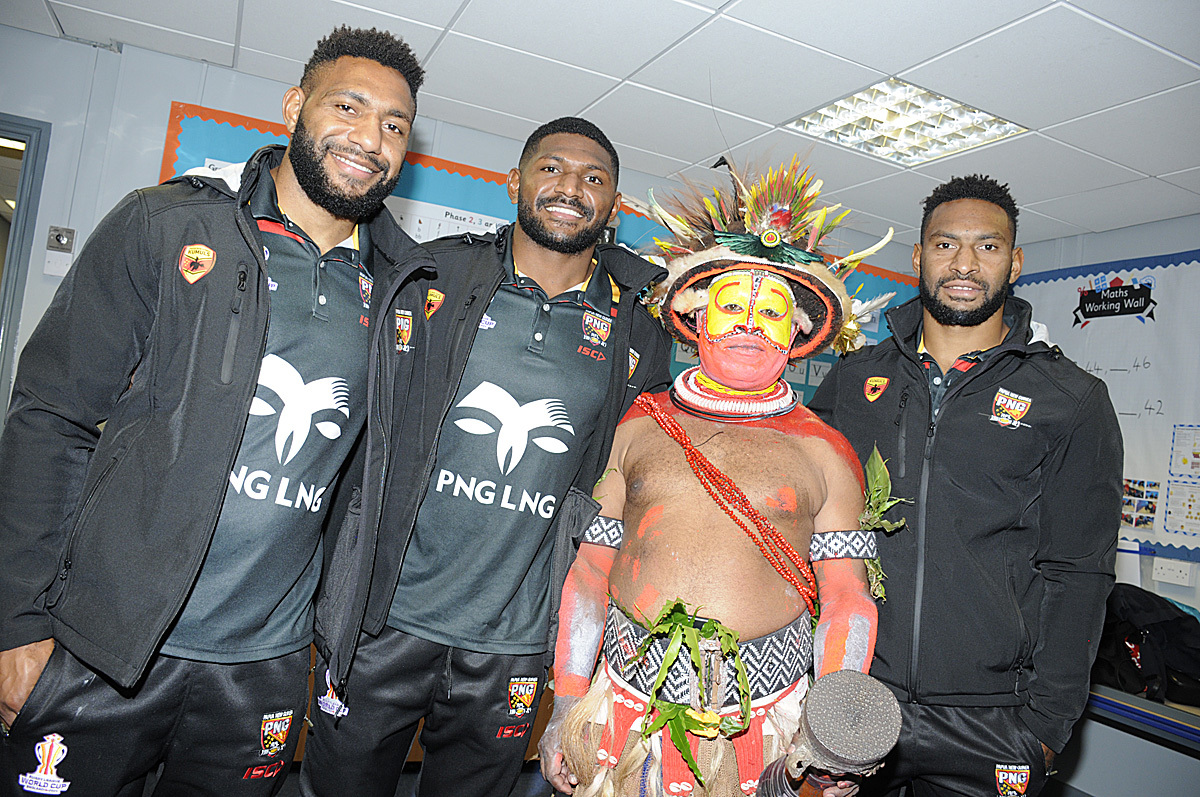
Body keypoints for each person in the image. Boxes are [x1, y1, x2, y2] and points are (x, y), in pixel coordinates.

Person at [0, 26, 429, 795]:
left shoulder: (403, 290)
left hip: (261, 670)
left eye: (394, 125)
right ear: (296, 106)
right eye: (349, 106)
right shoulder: (168, 225)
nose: (370, 137)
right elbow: (49, 417)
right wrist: (17, 620)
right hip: (103, 645)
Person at [300, 117, 674, 797]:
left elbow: (629, 485)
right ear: (514, 182)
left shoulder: (637, 333)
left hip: (516, 640)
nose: (571, 187)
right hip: (386, 618)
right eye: (552, 167)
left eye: (595, 178)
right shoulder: (434, 276)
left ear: (614, 206)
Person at [538, 159, 895, 797]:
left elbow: (846, 599)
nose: (750, 324)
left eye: (773, 312)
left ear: (800, 333)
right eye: (733, 305)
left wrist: (832, 724)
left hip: (765, 724)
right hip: (624, 709)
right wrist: (567, 700)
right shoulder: (639, 424)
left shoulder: (827, 451)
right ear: (699, 317)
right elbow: (590, 571)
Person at [808, 175, 1122, 797]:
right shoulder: (854, 379)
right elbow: (795, 519)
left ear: (1015, 261)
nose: (964, 264)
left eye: (987, 247)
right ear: (920, 256)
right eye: (946, 244)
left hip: (994, 718)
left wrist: (1046, 724)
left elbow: (1080, 571)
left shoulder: (1071, 400)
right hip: (856, 691)